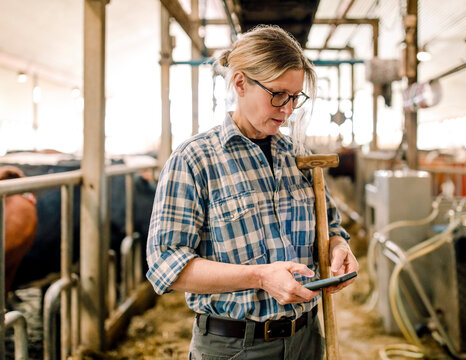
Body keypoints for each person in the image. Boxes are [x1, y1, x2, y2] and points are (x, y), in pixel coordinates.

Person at [146, 25, 359, 360]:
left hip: (306, 339)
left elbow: (330, 226)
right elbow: (167, 265)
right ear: (241, 83)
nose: (288, 110)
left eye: (295, 97)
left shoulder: (297, 156)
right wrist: (259, 277)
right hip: (235, 346)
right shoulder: (195, 160)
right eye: (277, 94)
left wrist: (338, 247)